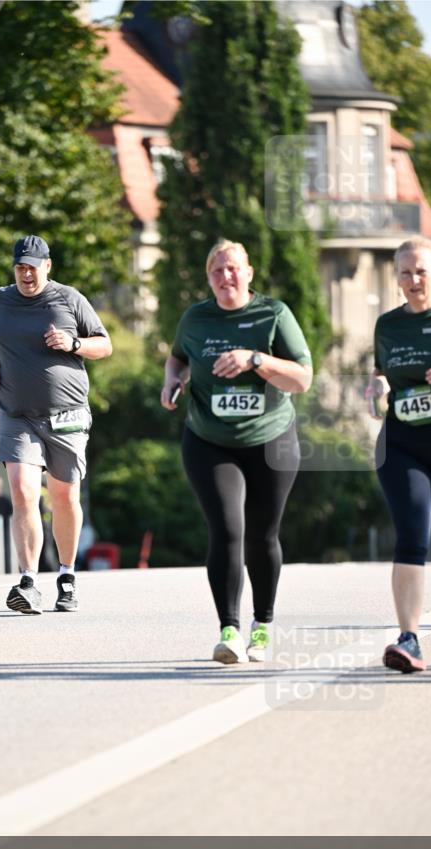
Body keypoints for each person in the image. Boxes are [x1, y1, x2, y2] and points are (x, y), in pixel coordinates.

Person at [161, 239, 313, 664]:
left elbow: (303, 378)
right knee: (227, 528)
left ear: (248, 273)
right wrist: (172, 382)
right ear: (208, 278)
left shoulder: (274, 314)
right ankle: (229, 629)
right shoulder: (196, 318)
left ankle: (261, 627)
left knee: (262, 535)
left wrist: (256, 360)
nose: (226, 277)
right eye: (217, 271)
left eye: (232, 269)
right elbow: (177, 359)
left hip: (271, 440)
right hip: (209, 440)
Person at [0, 234, 112, 613]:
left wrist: (73, 344)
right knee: (23, 491)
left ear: (47, 266)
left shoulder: (70, 299)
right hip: (15, 415)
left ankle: (67, 576)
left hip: (67, 415)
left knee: (64, 498)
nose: (26, 275)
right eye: (20, 268)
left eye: (32, 268)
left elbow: (104, 344)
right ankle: (27, 581)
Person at [366, 236, 431, 672]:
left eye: (422, 271)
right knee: (412, 536)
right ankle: (409, 639)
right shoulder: (387, 325)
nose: (413, 279)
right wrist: (377, 386)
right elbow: (381, 371)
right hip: (402, 443)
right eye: (405, 272)